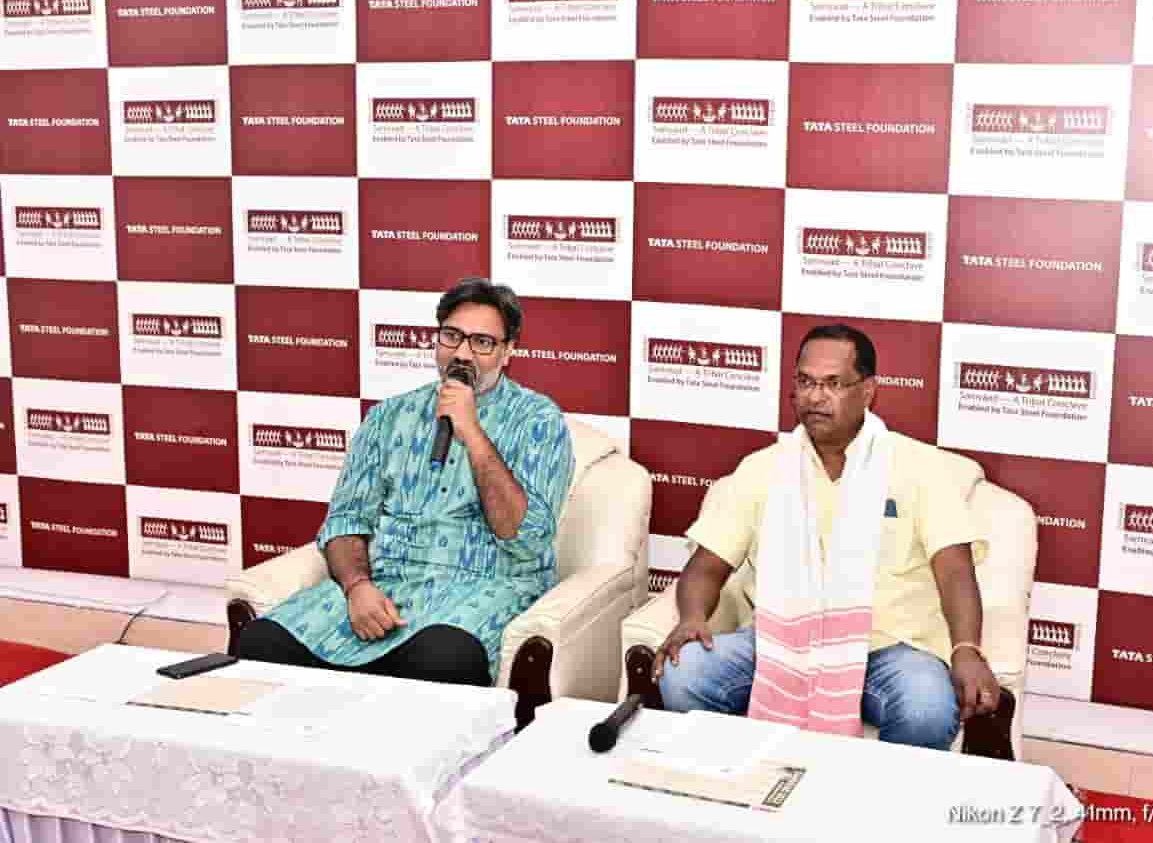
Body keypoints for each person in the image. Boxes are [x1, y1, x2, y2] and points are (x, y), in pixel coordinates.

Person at [653, 324, 1000, 750]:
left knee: (925, 709)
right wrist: (692, 618)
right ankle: (745, 776)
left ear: (868, 391)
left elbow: (955, 572)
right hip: (780, 643)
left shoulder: (919, 467)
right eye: (805, 382)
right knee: (684, 674)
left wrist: (966, 647)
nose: (815, 397)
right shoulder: (764, 469)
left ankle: (865, 793)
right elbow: (706, 567)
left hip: (889, 650)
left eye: (833, 384)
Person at [237, 278, 575, 687]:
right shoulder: (388, 417)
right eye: (452, 336)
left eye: (483, 342)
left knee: (440, 660)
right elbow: (345, 522)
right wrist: (357, 587)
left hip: (485, 585)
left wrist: (472, 432)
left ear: (508, 352)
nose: (463, 352)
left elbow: (526, 537)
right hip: (389, 584)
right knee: (259, 644)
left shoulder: (539, 421)